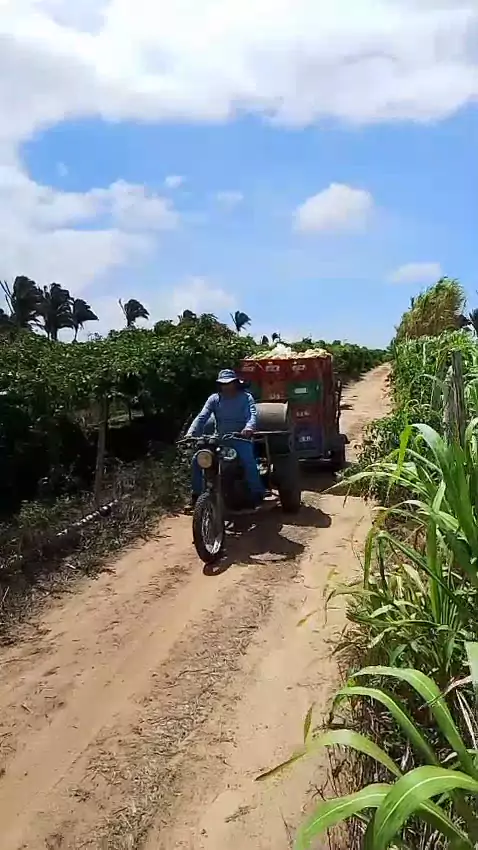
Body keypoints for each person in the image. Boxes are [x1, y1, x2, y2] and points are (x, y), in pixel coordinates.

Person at [187, 369, 265, 505]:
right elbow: (202, 416)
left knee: (249, 461)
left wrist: (248, 428)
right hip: (219, 439)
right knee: (198, 459)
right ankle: (196, 494)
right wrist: (191, 432)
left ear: (235, 383)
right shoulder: (214, 399)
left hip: (240, 438)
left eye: (229, 383)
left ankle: (257, 493)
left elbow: (251, 415)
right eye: (223, 384)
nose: (226, 386)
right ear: (219, 385)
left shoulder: (246, 398)